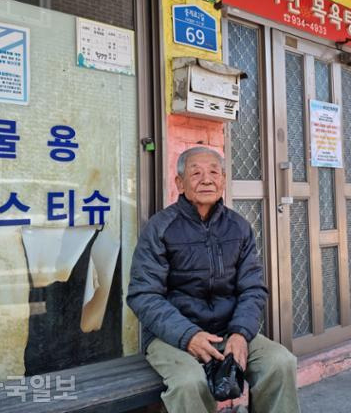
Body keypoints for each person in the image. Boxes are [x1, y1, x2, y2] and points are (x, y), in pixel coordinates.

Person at [127, 146, 300, 413]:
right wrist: (188, 335)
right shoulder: (160, 227)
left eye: (213, 172)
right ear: (180, 183)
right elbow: (143, 294)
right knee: (188, 382)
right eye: (195, 173)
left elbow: (252, 288)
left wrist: (241, 333)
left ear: (222, 180)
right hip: (174, 336)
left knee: (280, 363)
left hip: (229, 329)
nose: (206, 179)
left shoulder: (238, 226)